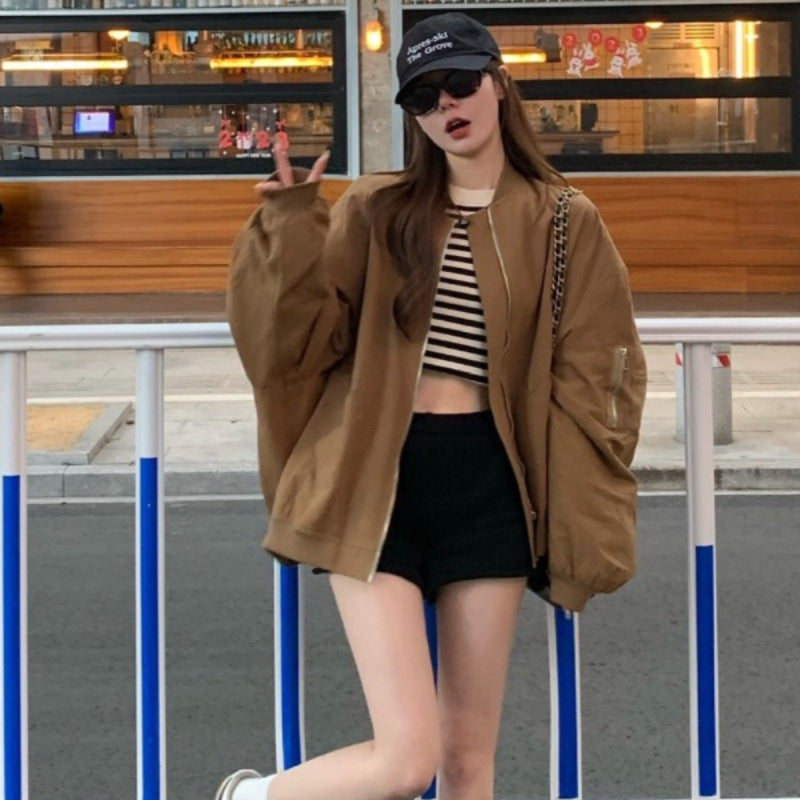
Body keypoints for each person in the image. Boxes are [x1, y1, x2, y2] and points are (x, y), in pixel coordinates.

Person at [219, 11, 647, 800]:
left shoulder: (563, 219)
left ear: (498, 83)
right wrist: (289, 225)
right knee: (408, 759)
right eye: (422, 95)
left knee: (467, 762)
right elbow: (293, 344)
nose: (445, 103)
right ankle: (250, 797)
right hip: (374, 481)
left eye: (459, 82)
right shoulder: (378, 209)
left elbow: (603, 370)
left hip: (489, 491)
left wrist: (583, 488)